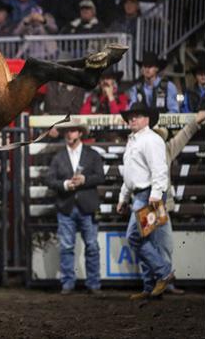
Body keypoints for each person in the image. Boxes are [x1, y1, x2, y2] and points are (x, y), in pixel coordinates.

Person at [116, 103, 175, 300]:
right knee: (145, 238)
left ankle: (164, 271)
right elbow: (131, 174)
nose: (132, 119)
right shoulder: (135, 141)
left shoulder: (150, 140)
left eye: (138, 116)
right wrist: (123, 197)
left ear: (147, 119)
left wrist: (156, 195)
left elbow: (160, 170)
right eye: (131, 116)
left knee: (134, 236)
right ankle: (150, 287)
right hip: (142, 193)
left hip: (149, 193)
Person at [46, 121, 104, 295]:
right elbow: (49, 180)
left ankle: (93, 284)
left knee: (92, 246)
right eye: (66, 132)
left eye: (72, 131)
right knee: (66, 247)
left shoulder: (92, 154)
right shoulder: (58, 156)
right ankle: (68, 283)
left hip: (85, 205)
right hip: (67, 205)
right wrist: (65, 184)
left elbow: (100, 176)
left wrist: (84, 180)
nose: (68, 134)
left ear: (79, 133)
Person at [152, 109, 205, 295]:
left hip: (159, 206)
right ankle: (153, 283)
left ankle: (163, 283)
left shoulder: (166, 150)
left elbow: (185, 134)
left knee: (164, 244)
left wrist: (197, 120)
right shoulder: (143, 151)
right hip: (149, 203)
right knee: (152, 244)